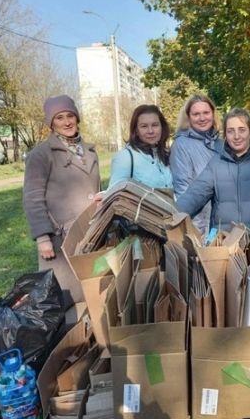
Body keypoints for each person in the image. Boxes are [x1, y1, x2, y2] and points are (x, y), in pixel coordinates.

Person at [23, 95, 100, 306]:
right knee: (64, 297)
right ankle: (69, 337)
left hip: (92, 233)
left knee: (93, 291)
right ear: (51, 123)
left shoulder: (90, 151)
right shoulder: (40, 155)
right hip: (59, 239)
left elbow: (96, 188)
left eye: (70, 116)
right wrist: (42, 237)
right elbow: (32, 198)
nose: (66, 122)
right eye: (59, 118)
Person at [176, 108, 250, 234]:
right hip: (226, 240)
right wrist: (172, 213)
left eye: (242, 130)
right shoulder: (216, 164)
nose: (236, 136)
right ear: (225, 136)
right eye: (230, 131)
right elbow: (195, 194)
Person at [170, 94, 223, 236]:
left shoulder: (220, 143)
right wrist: (196, 232)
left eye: (206, 112)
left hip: (222, 222)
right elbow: (184, 190)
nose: (202, 118)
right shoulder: (181, 145)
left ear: (213, 113)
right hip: (200, 225)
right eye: (196, 114)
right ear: (188, 117)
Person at [107, 104, 172, 189]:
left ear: (162, 127)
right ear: (136, 130)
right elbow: (114, 193)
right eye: (144, 126)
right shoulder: (125, 158)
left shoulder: (165, 154)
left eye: (155, 125)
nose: (150, 131)